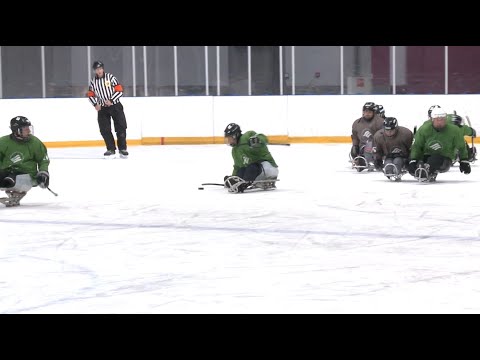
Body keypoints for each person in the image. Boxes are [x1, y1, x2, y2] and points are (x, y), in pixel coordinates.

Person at [408, 106, 471, 181]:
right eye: (437, 120)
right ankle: (421, 168)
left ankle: (427, 169)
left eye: (442, 120)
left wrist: (464, 161)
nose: (440, 122)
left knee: (434, 159)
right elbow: (417, 146)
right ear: (432, 119)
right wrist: (413, 160)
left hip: (444, 158)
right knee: (414, 161)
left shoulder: (454, 130)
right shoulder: (424, 129)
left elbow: (461, 147)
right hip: (426, 155)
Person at [0, 116, 50, 206]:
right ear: (16, 130)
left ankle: (11, 185)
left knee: (11, 180)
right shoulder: (3, 142)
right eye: (25, 129)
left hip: (27, 175)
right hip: (8, 172)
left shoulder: (34, 142)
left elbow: (43, 159)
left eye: (29, 128)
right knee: (5, 178)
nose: (29, 131)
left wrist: (43, 172)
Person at [87, 60, 129, 158]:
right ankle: (110, 149)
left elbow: (120, 90)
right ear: (95, 71)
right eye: (97, 69)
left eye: (100, 68)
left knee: (121, 127)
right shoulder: (93, 82)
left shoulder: (111, 78)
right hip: (102, 108)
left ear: (103, 69)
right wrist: (95, 104)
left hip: (115, 106)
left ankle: (122, 149)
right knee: (104, 129)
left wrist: (111, 100)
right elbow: (90, 95)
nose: (99, 71)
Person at [223, 123, 279, 193]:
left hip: (268, 168)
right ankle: (241, 182)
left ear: (235, 135)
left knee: (252, 167)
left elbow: (264, 138)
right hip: (256, 172)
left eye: (229, 138)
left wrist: (257, 139)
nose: (228, 141)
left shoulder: (248, 136)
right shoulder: (235, 151)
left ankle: (244, 184)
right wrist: (233, 177)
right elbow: (237, 167)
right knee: (241, 170)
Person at [350, 102, 385, 171]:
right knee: (354, 150)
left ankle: (371, 159)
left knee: (369, 145)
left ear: (374, 112)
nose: (367, 113)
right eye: (365, 111)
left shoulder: (381, 122)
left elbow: (384, 138)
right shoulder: (357, 123)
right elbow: (355, 137)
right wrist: (355, 146)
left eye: (369, 112)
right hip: (362, 147)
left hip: (376, 147)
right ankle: (360, 159)